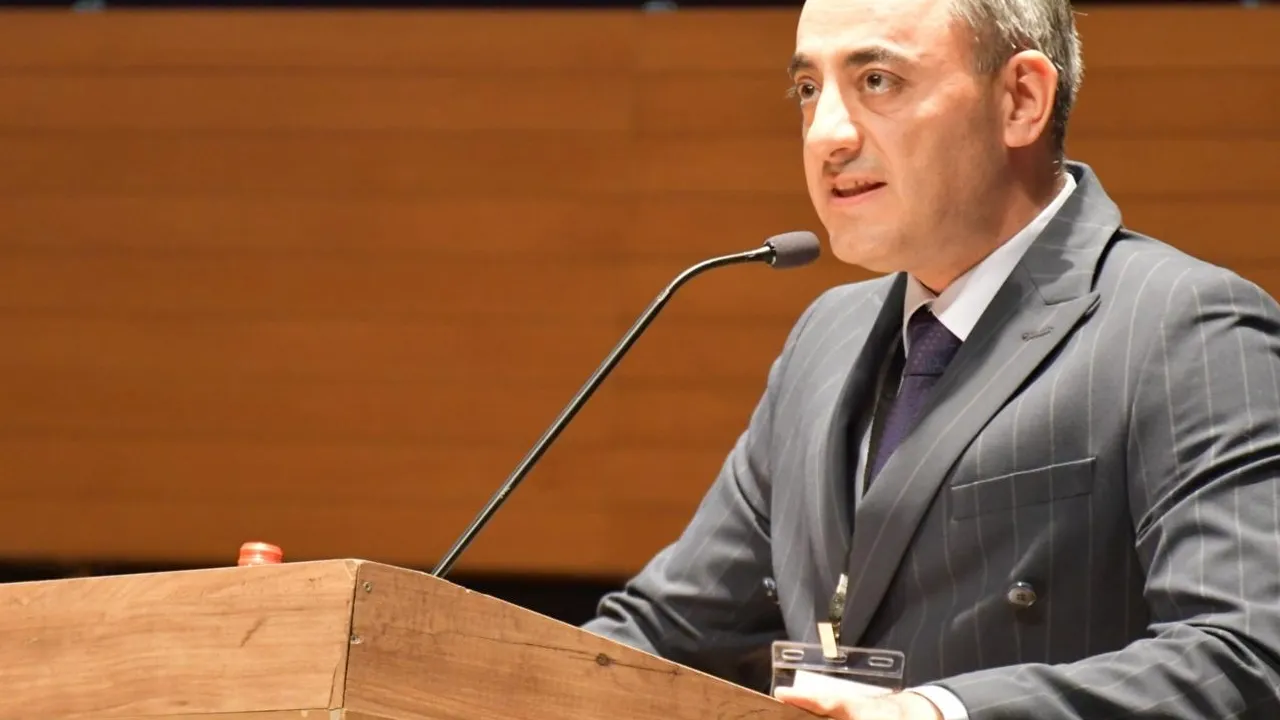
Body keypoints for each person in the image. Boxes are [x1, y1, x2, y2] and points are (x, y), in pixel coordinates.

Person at [579, 0, 1280, 717]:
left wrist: (937, 711)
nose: (826, 135)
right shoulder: (826, 336)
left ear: (1021, 99)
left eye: (877, 81)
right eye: (808, 89)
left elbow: (1244, 656)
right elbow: (664, 634)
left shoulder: (1184, 326)